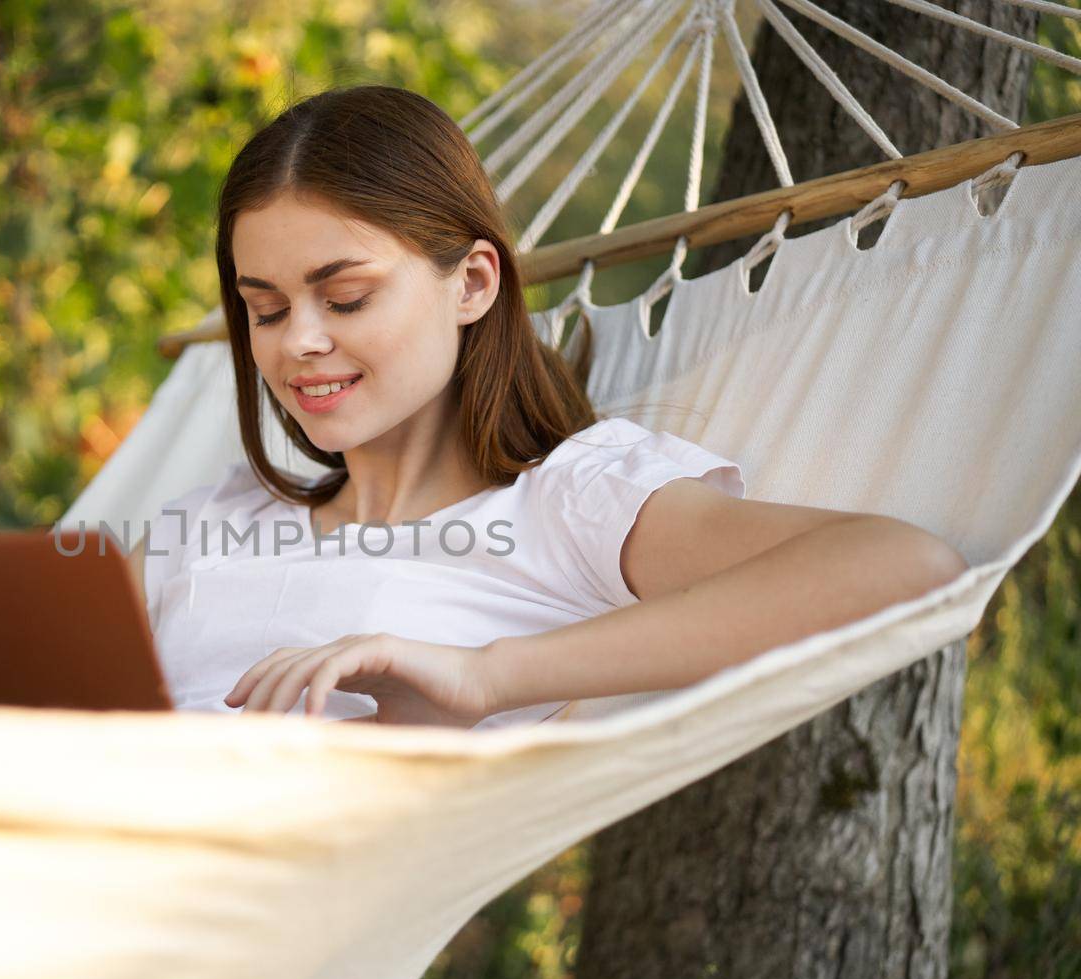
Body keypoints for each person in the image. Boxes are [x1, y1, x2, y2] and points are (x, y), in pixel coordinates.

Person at [126, 84, 966, 730]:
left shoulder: (566, 503)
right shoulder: (217, 515)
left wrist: (487, 675)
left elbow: (904, 570)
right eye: (264, 309)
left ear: (474, 283)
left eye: (344, 298)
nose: (294, 342)